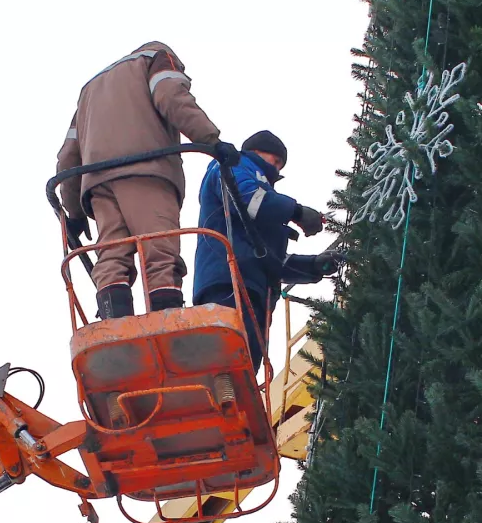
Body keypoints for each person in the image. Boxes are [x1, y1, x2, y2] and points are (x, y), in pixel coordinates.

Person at [55, 41, 241, 320]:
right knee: (160, 252)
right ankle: (166, 324)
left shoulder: (89, 91)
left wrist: (74, 212)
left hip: (98, 184)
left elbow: (68, 156)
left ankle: (114, 324)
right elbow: (170, 96)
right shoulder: (157, 57)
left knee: (112, 255)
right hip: (148, 171)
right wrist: (211, 140)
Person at [191, 130, 342, 370]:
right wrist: (296, 211)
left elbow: (270, 261)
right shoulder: (233, 164)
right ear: (260, 152)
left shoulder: (258, 201)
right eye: (277, 161)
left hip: (254, 292)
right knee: (225, 363)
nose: (278, 170)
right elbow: (250, 199)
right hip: (227, 284)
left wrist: (313, 266)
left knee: (245, 367)